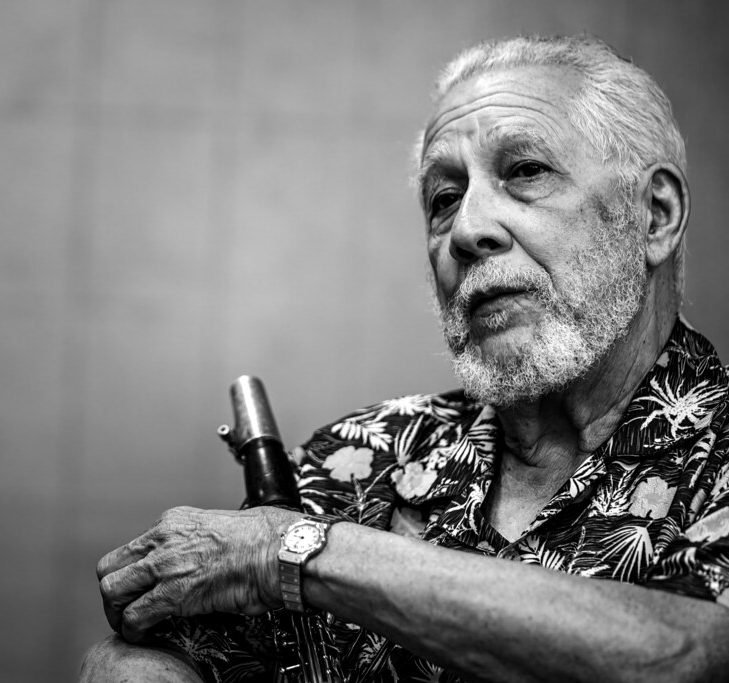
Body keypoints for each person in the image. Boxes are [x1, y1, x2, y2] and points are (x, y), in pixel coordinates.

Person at [81, 34, 729, 682]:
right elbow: (151, 652)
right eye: (444, 199)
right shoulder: (358, 456)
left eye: (526, 172)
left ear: (655, 216)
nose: (468, 230)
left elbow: (683, 654)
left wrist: (295, 550)